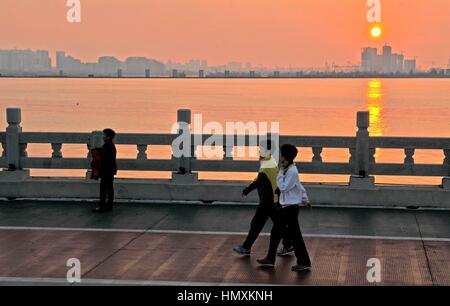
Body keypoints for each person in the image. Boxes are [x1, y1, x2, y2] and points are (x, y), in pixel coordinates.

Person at [257, 144, 312, 272]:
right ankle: (271, 259)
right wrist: (305, 200)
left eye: (282, 155)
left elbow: (283, 187)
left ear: (285, 157)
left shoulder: (291, 171)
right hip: (286, 208)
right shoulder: (289, 169)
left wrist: (280, 173)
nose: (280, 157)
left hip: (290, 209)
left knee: (294, 236)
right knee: (277, 232)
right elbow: (300, 187)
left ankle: (304, 262)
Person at [233, 139, 293, 256]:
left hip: (268, 201)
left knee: (257, 224)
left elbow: (263, 181)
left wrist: (247, 190)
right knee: (277, 224)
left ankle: (246, 247)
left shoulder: (268, 165)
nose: (259, 151)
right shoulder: (268, 161)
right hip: (271, 200)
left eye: (261, 149)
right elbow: (260, 180)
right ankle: (288, 244)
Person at [91, 128, 117, 213]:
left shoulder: (108, 145)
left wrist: (96, 151)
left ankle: (103, 206)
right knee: (109, 188)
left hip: (107, 170)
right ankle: (109, 205)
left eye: (104, 135)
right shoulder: (110, 145)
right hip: (110, 169)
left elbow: (105, 157)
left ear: (108, 137)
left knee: (103, 188)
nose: (102, 136)